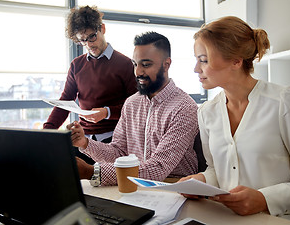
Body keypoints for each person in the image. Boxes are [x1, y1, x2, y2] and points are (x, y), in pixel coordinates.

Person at [179, 16, 290, 220]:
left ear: (236, 61)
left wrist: (264, 199)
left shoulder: (285, 101)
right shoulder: (207, 111)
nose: (196, 69)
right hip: (227, 218)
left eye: (203, 60)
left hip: (282, 219)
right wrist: (200, 180)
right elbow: (216, 170)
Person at [67, 31, 199, 186]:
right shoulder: (131, 103)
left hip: (174, 187)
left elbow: (158, 167)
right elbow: (118, 153)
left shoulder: (185, 107)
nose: (138, 72)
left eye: (146, 64)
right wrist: (85, 143)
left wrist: (92, 172)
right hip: (136, 185)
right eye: (135, 64)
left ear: (167, 64)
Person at [43, 6, 137, 163]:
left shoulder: (126, 64)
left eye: (92, 37)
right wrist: (47, 132)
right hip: (83, 141)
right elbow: (65, 100)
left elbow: (136, 107)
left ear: (103, 29)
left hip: (114, 141)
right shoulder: (76, 65)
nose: (88, 45)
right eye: (82, 40)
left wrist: (106, 112)